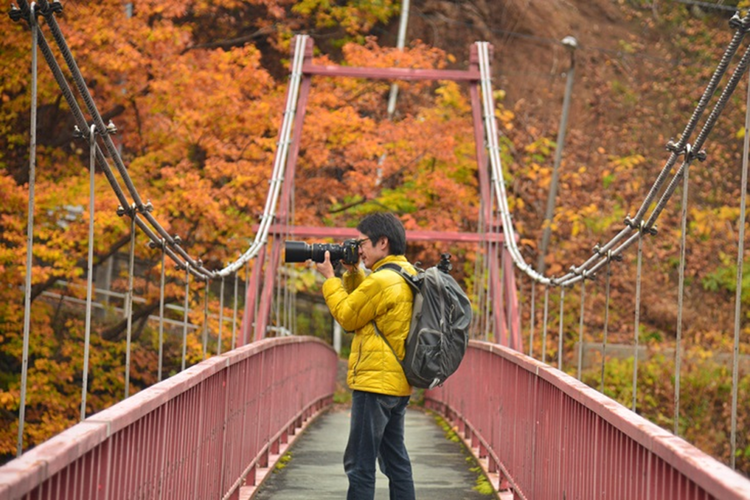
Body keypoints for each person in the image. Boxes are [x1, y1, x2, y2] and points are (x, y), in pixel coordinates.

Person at [315, 212, 416, 500]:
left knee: (360, 465)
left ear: (382, 242)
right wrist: (353, 272)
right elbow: (369, 308)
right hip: (396, 383)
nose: (359, 249)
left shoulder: (383, 281)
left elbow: (348, 317)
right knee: (396, 464)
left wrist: (329, 279)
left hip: (373, 385)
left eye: (363, 243)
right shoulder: (406, 273)